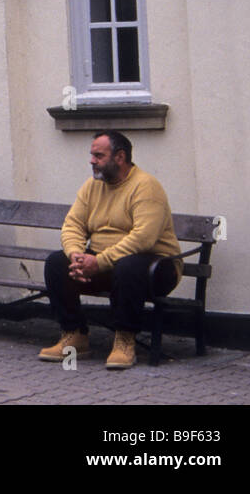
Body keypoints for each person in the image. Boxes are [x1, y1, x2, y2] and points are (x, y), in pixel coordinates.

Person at [40, 131, 182, 368]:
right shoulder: (92, 186)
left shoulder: (146, 186)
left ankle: (125, 340)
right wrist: (76, 256)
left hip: (156, 268)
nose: (92, 161)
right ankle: (74, 335)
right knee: (57, 263)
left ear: (120, 157)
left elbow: (143, 239)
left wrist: (99, 262)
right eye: (92, 155)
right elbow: (73, 224)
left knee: (128, 266)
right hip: (106, 265)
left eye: (98, 155)